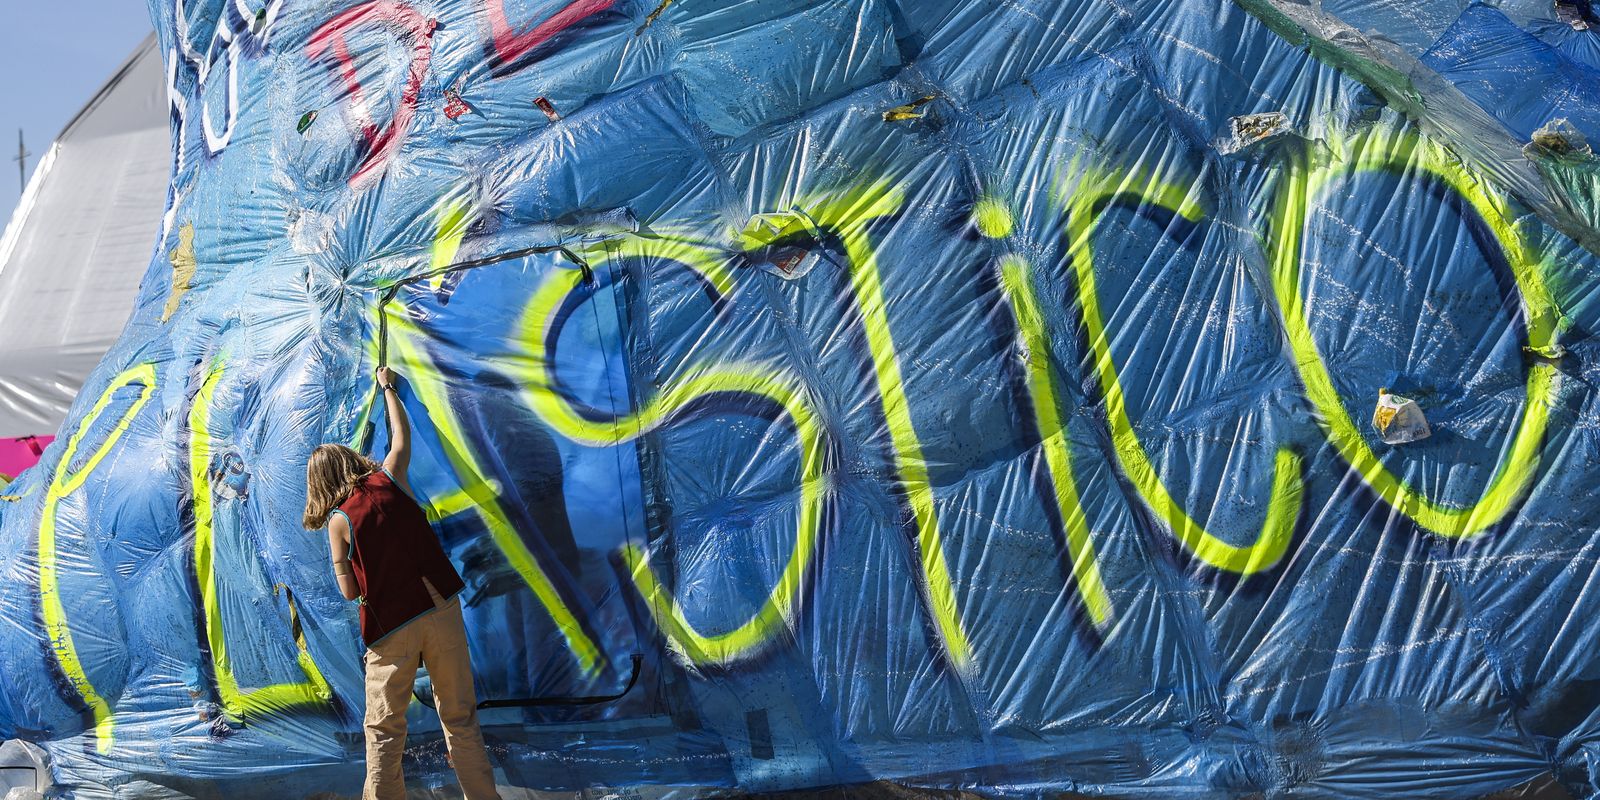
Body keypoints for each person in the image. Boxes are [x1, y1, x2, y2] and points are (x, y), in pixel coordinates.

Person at [302, 366, 502, 800]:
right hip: (440, 605)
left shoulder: (338, 522)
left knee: (385, 730)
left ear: (319, 484)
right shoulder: (390, 477)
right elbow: (400, 438)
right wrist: (388, 388)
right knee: (460, 719)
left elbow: (350, 592)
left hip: (392, 625)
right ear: (349, 462)